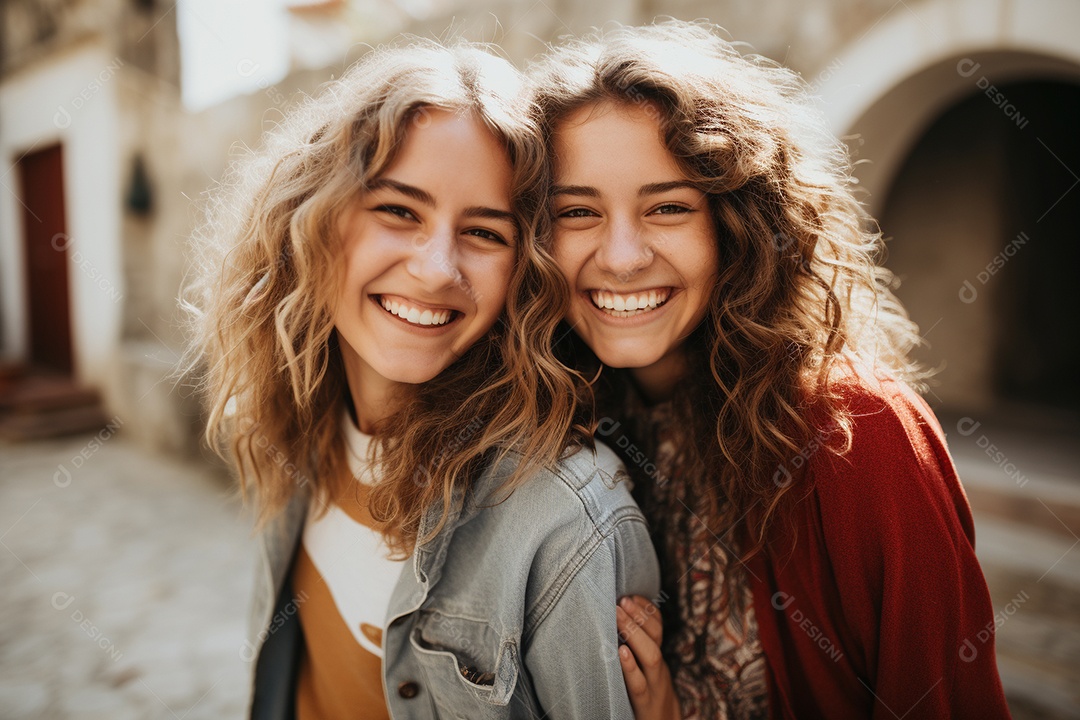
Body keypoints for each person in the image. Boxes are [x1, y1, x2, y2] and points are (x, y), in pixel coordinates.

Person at [530, 20, 1012, 719]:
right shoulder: (557, 417)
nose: (623, 255)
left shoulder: (859, 434)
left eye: (667, 207)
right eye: (577, 211)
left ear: (739, 222)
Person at [185, 39, 659, 719]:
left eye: (486, 234)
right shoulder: (290, 424)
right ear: (314, 221)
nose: (438, 269)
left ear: (525, 276)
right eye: (399, 211)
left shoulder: (563, 524)